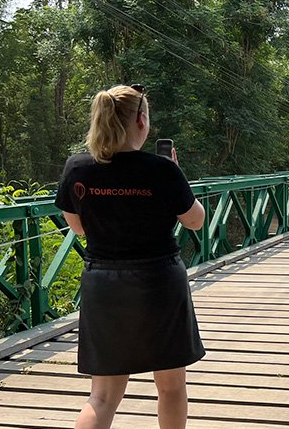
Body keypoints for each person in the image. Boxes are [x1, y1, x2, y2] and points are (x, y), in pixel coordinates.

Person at [55, 84, 206, 429]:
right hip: (158, 283)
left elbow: (78, 228)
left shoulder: (77, 168)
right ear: (141, 120)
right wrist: (176, 175)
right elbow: (195, 222)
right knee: (170, 388)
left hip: (104, 284)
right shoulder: (161, 169)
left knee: (103, 396)